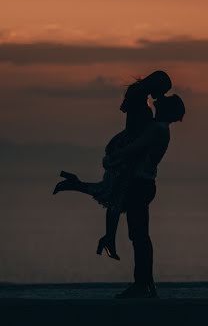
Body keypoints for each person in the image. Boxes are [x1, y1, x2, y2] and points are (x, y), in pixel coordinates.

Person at [53, 71, 172, 260]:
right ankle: (108, 238)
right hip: (127, 148)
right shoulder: (140, 100)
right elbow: (137, 129)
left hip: (125, 144)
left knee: (115, 192)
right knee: (116, 194)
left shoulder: (137, 94)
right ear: (156, 85)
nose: (162, 95)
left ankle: (107, 235)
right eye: (163, 90)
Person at [108, 93, 185, 299]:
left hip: (140, 185)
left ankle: (142, 285)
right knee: (140, 236)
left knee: (139, 236)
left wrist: (113, 157)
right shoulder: (159, 129)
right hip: (144, 184)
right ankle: (146, 284)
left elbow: (135, 148)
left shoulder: (157, 129)